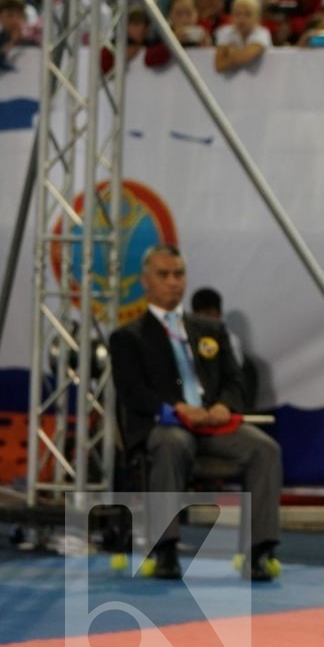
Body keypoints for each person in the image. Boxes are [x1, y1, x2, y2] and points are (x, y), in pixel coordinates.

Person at [108, 245, 282, 583]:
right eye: (164, 275)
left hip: (213, 425)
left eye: (179, 275)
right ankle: (166, 550)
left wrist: (224, 406)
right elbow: (132, 392)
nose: (173, 282)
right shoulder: (128, 337)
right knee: (171, 444)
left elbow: (236, 379)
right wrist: (175, 408)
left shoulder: (210, 330)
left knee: (265, 449)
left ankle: (260, 551)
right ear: (146, 282)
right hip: (168, 424)